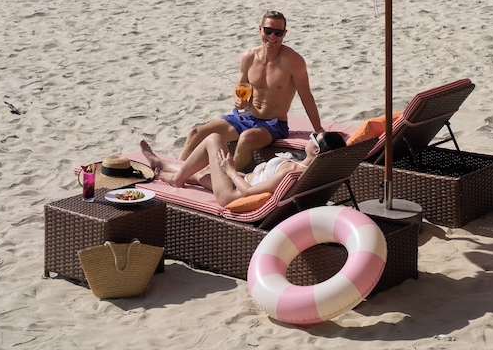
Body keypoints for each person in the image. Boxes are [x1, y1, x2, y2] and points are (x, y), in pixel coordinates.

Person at [178, 11, 323, 170]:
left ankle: (228, 178)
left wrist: (319, 130)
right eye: (268, 30)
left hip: (273, 124)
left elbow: (306, 97)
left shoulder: (293, 61)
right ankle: (176, 170)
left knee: (246, 138)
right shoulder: (249, 57)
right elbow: (241, 87)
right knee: (195, 133)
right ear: (260, 29)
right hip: (245, 117)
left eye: (278, 33)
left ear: (284, 34)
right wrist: (238, 100)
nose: (272, 36)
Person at [140, 131, 346, 206]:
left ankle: (176, 178)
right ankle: (161, 164)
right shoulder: (309, 171)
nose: (310, 137)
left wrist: (230, 170)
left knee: (214, 139)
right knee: (202, 172)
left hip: (233, 194)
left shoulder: (291, 172)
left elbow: (248, 192)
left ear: (316, 151)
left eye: (313, 137)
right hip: (243, 179)